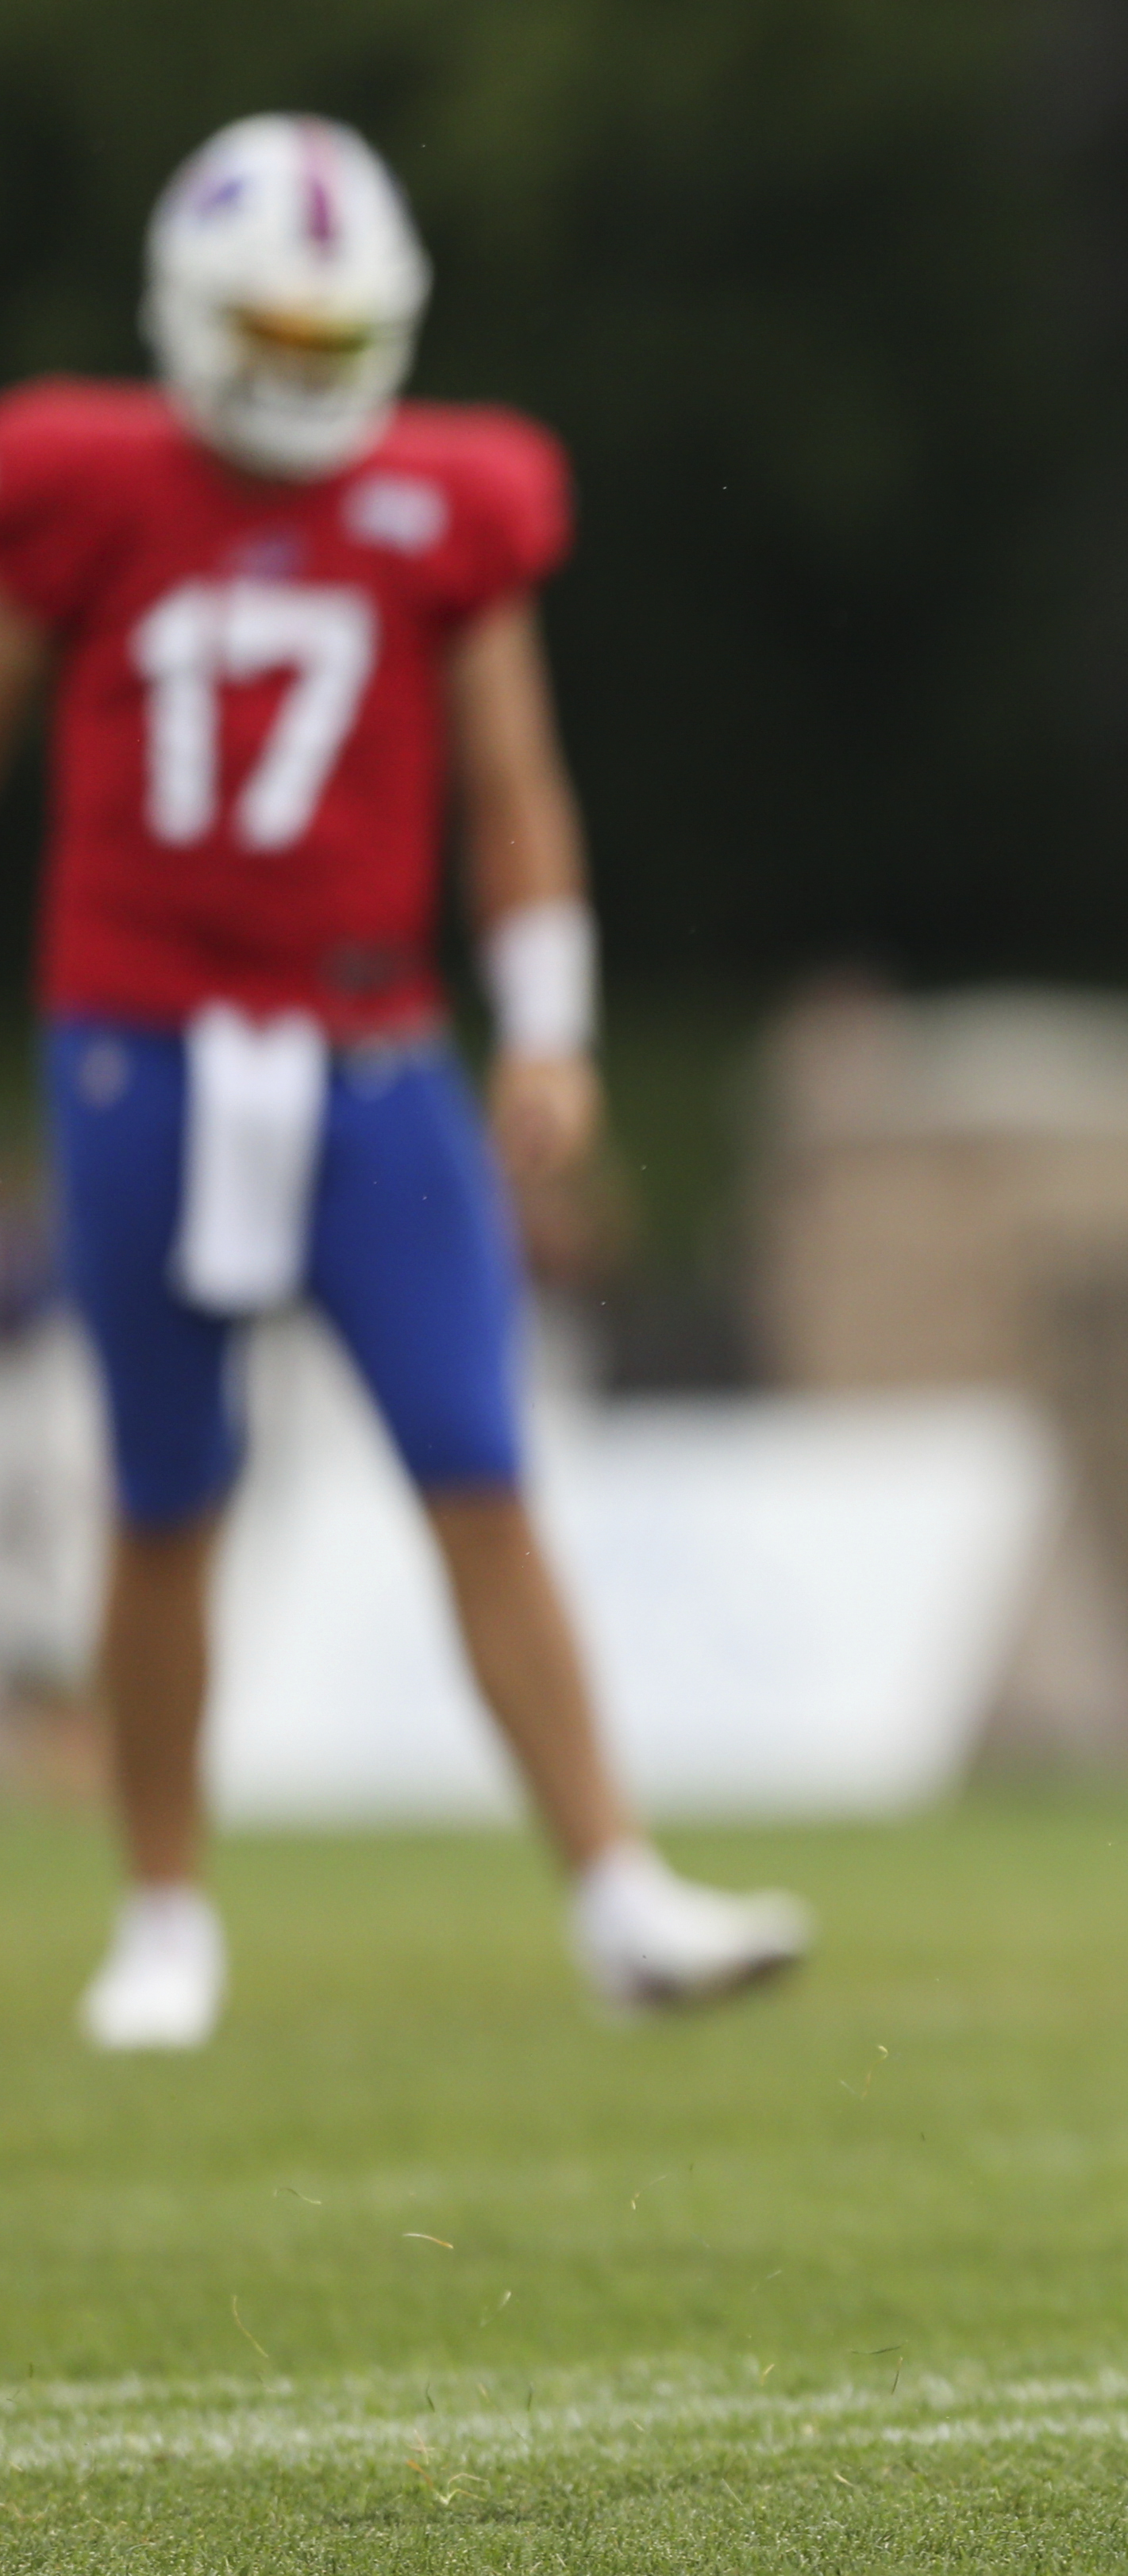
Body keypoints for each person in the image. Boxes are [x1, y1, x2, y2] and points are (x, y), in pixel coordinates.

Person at [0, 116, 808, 2050]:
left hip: (372, 1052)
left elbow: (514, 777)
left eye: (325, 329)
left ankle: (617, 1887)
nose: (295, 369)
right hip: (144, 1042)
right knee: (164, 1487)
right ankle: (166, 1908)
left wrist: (547, 1017)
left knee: (480, 1463)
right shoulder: (81, 477)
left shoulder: (454, 498)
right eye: (262, 328)